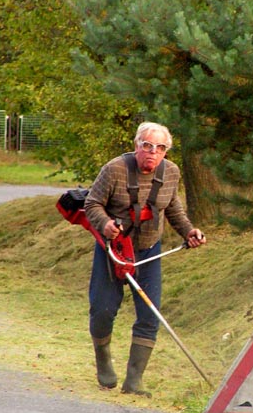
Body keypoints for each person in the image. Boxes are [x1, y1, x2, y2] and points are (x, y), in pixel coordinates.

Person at [84, 122, 206, 396]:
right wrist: (104, 224)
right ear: (136, 144)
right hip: (112, 250)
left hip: (149, 250)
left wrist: (189, 231)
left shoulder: (171, 172)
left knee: (150, 315)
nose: (153, 152)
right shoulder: (114, 169)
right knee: (102, 310)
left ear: (166, 151)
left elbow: (172, 206)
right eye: (147, 145)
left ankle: (134, 380)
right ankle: (103, 360)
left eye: (160, 148)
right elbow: (91, 203)